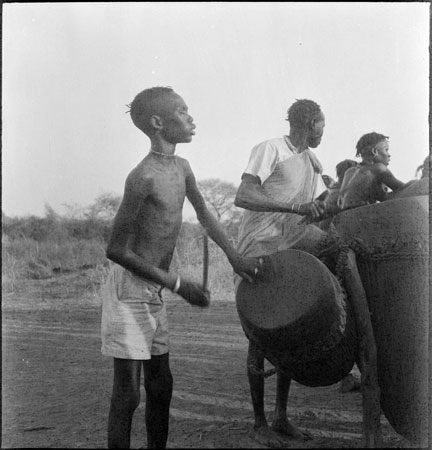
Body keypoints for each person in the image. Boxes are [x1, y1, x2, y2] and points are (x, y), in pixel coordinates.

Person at [101, 86, 259, 449]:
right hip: (129, 290)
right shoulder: (142, 177)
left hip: (155, 288)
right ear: (158, 122)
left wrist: (235, 258)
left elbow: (204, 214)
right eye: (183, 112)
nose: (191, 119)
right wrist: (177, 284)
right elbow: (116, 249)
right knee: (128, 394)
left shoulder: (182, 168)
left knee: (162, 385)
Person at [234, 99, 382, 448]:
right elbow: (244, 194)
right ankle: (259, 423)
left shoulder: (312, 161)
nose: (323, 132)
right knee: (263, 329)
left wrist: (343, 192)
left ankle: (282, 415)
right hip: (261, 245)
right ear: (309, 122)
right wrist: (293, 206)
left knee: (295, 319)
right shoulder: (270, 149)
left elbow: (317, 208)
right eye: (322, 125)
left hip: (296, 240)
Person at [338, 132, 406, 210]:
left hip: (345, 216)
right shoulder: (378, 168)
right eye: (386, 150)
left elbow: (383, 197)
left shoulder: (349, 171)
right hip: (362, 216)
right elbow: (403, 189)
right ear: (374, 151)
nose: (389, 154)